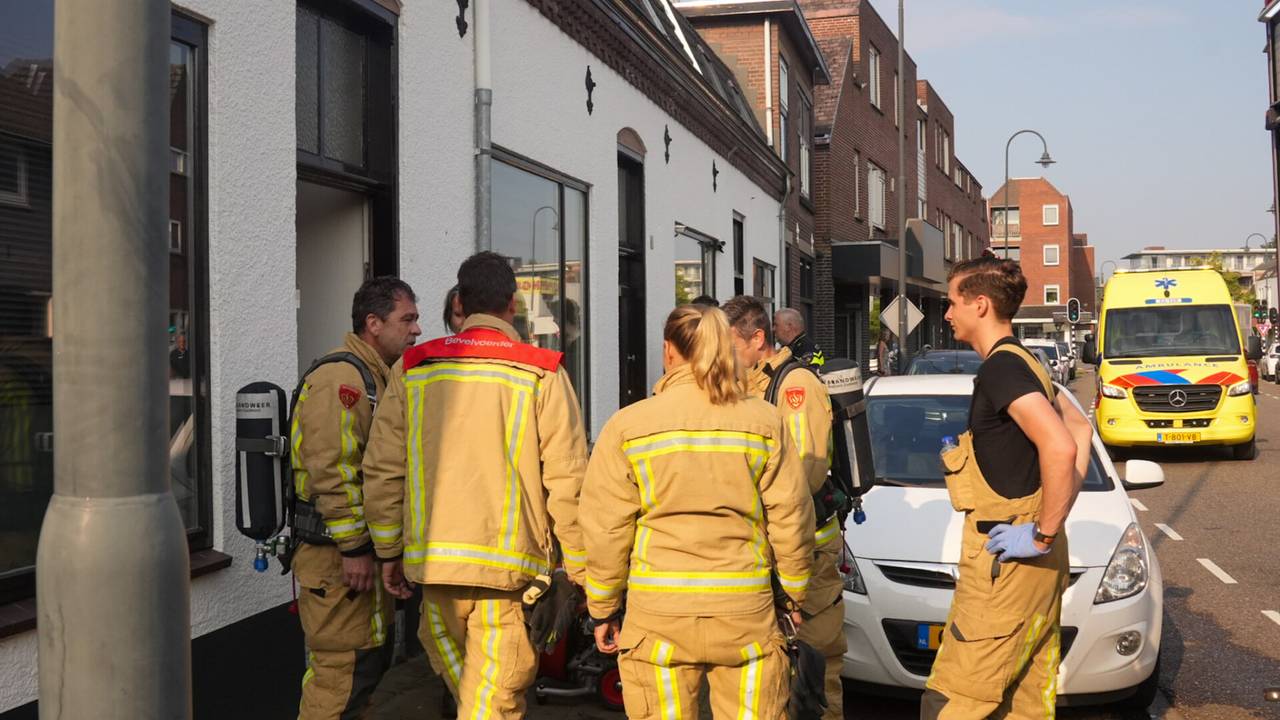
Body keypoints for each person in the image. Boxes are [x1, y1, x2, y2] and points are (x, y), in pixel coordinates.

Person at [362, 251, 590, 720]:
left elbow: (383, 469)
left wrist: (388, 553)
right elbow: (567, 480)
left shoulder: (414, 368)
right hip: (506, 581)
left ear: (461, 303)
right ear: (513, 304)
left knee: (473, 693)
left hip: (435, 572)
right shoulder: (542, 372)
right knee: (491, 703)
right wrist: (583, 570)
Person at [582, 304, 815, 720]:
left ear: (668, 351)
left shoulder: (627, 426)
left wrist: (602, 607)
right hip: (745, 612)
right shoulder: (764, 420)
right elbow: (791, 517)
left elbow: (605, 530)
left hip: (658, 617)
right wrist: (794, 595)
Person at [921, 257, 1093, 719]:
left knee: (953, 700)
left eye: (952, 302)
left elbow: (1059, 445)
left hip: (1005, 567)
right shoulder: (1027, 362)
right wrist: (1048, 531)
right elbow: (1078, 429)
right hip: (1031, 564)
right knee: (1024, 703)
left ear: (980, 305)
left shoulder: (1000, 369)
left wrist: (1039, 533)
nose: (947, 313)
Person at [291, 276, 421, 720]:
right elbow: (333, 470)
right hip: (339, 563)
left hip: (355, 564)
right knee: (339, 678)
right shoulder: (341, 381)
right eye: (408, 319)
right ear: (373, 322)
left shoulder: (374, 377)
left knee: (362, 671)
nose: (417, 329)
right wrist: (356, 548)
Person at [723, 295, 845, 719]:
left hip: (807, 549)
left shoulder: (794, 386)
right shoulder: (752, 384)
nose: (725, 356)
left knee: (815, 670)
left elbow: (803, 475)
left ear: (758, 339)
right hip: (773, 548)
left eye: (731, 346)